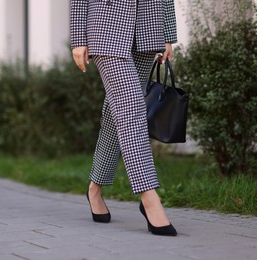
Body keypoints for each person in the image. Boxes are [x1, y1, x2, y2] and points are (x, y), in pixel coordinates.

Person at [70, 0, 178, 236]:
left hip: (147, 28)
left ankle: (95, 187)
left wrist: (168, 33)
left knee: (114, 113)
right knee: (131, 108)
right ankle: (149, 195)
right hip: (106, 26)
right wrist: (78, 37)